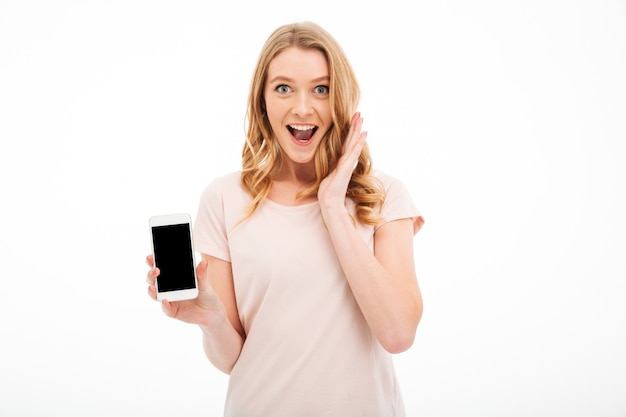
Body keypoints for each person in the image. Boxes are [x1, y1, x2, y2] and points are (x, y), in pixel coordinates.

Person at [145, 21, 425, 417]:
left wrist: (332, 206)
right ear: (262, 101)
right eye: (283, 88)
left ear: (340, 98)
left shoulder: (383, 194)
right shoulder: (224, 198)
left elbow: (398, 334)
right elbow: (231, 359)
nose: (302, 107)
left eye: (321, 89)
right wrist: (211, 319)